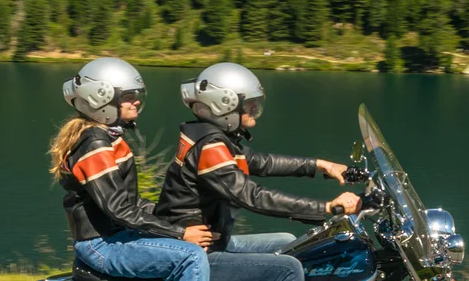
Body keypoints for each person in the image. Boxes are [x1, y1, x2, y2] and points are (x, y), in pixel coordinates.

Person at [155, 62, 361, 281]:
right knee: (288, 268)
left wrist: (321, 164)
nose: (255, 108)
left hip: (214, 240)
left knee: (288, 242)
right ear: (223, 105)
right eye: (249, 103)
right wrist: (326, 207)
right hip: (197, 252)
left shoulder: (215, 138)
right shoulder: (210, 148)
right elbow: (252, 197)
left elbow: (263, 162)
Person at [49, 57, 218, 281]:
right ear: (100, 100)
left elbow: (133, 203)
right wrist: (181, 233)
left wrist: (178, 219)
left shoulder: (109, 138)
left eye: (136, 96)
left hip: (118, 235)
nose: (136, 102)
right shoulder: (94, 144)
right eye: (128, 97)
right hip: (101, 244)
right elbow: (119, 209)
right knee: (191, 256)